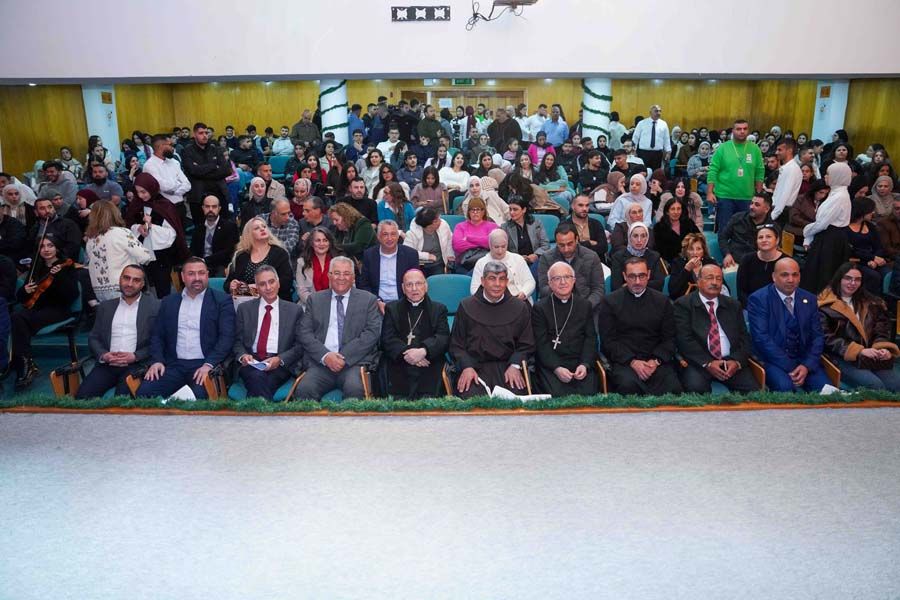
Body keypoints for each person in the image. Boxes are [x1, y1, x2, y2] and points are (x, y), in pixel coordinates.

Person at [136, 257, 235, 399]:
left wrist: (209, 364)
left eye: (201, 273)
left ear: (207, 275)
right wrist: (157, 360)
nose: (197, 278)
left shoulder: (222, 301)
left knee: (197, 398)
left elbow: (227, 338)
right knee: (144, 393)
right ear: (182, 277)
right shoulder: (169, 302)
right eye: (191, 274)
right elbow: (157, 335)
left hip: (203, 364)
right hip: (173, 365)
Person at [295, 256, 382, 400]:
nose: (341, 278)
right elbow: (304, 333)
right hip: (321, 363)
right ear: (329, 275)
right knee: (304, 389)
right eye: (336, 273)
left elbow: (372, 333)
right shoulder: (315, 300)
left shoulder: (368, 300)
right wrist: (326, 356)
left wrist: (342, 357)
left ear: (353, 277)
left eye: (346, 273)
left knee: (355, 389)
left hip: (353, 363)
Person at [450, 261, 535, 398]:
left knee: (516, 400)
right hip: (474, 368)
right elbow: (456, 344)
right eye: (492, 278)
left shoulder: (520, 307)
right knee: (470, 400)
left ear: (507, 281)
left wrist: (515, 365)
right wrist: (466, 366)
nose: (497, 284)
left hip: (508, 368)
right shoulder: (466, 306)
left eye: (502, 279)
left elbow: (527, 344)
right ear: (482, 281)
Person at [598, 257, 682, 395]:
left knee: (673, 387)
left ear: (648, 275)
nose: (637, 281)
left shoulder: (662, 301)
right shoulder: (610, 302)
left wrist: (655, 361)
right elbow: (608, 341)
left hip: (656, 362)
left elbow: (670, 338)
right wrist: (632, 362)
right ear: (624, 276)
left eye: (641, 276)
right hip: (625, 362)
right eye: (632, 276)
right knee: (627, 386)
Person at [77, 265, 160, 398]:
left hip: (136, 365)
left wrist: (136, 356)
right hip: (107, 364)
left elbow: (160, 341)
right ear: (120, 279)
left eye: (136, 280)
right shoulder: (105, 307)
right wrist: (104, 355)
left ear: (142, 284)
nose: (130, 284)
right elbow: (94, 337)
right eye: (126, 278)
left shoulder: (155, 307)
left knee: (122, 401)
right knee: (81, 398)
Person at [747, 257, 829, 392]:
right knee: (785, 388)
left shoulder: (809, 299)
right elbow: (761, 338)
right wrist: (792, 367)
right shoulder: (759, 299)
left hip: (804, 360)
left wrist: (806, 365)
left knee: (826, 390)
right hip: (772, 360)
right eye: (784, 275)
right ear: (774, 277)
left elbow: (817, 336)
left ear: (799, 277)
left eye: (795, 275)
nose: (791, 280)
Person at [674, 263, 758, 393]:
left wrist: (736, 361)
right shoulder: (683, 304)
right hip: (699, 362)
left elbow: (744, 338)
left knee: (753, 392)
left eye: (719, 279)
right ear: (698, 281)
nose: (714, 282)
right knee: (696, 389)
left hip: (730, 361)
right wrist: (708, 363)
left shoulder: (733, 305)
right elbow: (684, 340)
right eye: (709, 278)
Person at [10, 234, 79, 390]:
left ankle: (24, 364)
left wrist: (59, 277)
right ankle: (25, 362)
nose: (46, 249)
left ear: (57, 248)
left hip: (59, 309)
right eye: (42, 246)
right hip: (38, 309)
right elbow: (22, 298)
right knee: (16, 316)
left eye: (50, 245)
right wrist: (25, 290)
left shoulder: (66, 266)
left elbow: (72, 295)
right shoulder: (37, 267)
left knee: (19, 320)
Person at [818, 263, 900, 391]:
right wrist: (859, 351)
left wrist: (882, 348)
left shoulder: (871, 302)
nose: (852, 283)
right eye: (848, 278)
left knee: (896, 385)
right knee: (875, 385)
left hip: (871, 355)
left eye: (857, 280)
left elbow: (881, 329)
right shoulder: (824, 305)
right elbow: (827, 338)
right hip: (841, 356)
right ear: (839, 279)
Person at [232, 265, 304, 400]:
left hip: (279, 364)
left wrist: (280, 359)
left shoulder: (294, 311)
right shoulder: (244, 309)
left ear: (278, 283)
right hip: (251, 362)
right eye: (262, 284)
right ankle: (263, 411)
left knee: (258, 380)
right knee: (257, 377)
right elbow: (237, 341)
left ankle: (252, 410)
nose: (268, 287)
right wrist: (243, 356)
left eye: (271, 282)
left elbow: (300, 345)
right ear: (257, 288)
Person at [381, 269, 450, 399]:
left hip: (429, 361)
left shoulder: (438, 309)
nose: (414, 289)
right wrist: (408, 354)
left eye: (418, 283)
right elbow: (387, 339)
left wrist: (424, 351)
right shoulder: (392, 308)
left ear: (426, 286)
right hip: (399, 361)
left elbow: (443, 337)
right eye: (409, 284)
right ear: (403, 288)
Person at [532, 261, 598, 396]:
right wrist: (556, 368)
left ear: (574, 280)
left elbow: (590, 338)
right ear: (550, 283)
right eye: (557, 278)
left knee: (589, 394)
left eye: (567, 277)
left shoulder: (584, 305)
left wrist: (584, 364)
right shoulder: (540, 308)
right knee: (555, 394)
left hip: (579, 362)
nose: (563, 282)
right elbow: (541, 343)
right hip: (551, 364)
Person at [84, 200, 152, 302]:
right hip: (123, 287)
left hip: (99, 290)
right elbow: (144, 257)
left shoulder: (91, 238)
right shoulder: (121, 232)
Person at [800, 162, 853, 294]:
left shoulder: (839, 196)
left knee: (822, 275)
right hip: (830, 236)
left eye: (828, 174)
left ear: (837, 176)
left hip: (830, 239)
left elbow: (822, 223)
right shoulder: (836, 193)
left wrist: (807, 232)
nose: (825, 176)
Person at [707, 119, 764, 231]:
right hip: (725, 196)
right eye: (738, 129)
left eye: (745, 129)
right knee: (725, 230)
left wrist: (758, 192)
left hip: (747, 197)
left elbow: (760, 171)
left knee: (745, 231)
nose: (742, 131)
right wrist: (709, 192)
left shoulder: (755, 149)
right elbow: (713, 170)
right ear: (733, 131)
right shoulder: (723, 148)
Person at [537, 223, 605, 312]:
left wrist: (585, 307)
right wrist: (560, 291)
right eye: (561, 245)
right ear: (556, 243)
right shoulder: (546, 258)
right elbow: (543, 289)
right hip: (556, 307)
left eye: (570, 244)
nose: (566, 249)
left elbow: (598, 289)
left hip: (586, 307)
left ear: (576, 239)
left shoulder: (591, 257)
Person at [358, 220, 420, 313]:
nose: (390, 238)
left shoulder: (410, 254)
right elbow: (364, 284)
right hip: (376, 304)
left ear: (398, 236)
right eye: (385, 234)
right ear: (378, 237)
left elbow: (415, 283)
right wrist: (377, 301)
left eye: (393, 234)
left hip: (404, 303)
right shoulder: (369, 255)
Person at [225, 217, 293, 302]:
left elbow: (287, 282)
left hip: (275, 300)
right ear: (249, 234)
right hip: (247, 301)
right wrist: (232, 285)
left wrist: (259, 287)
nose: (262, 229)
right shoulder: (241, 256)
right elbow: (227, 284)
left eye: (264, 226)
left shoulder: (280, 253)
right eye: (257, 228)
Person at [181, 122, 231, 225]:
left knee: (224, 225)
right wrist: (213, 166)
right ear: (194, 134)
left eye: (206, 133)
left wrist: (201, 169)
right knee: (201, 227)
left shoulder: (216, 149)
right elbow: (193, 171)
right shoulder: (187, 151)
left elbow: (227, 170)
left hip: (219, 191)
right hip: (198, 195)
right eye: (201, 133)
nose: (204, 135)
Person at [470, 229, 536, 303]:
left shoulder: (518, 259)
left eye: (503, 246)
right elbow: (474, 289)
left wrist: (523, 293)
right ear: (490, 245)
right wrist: (489, 298)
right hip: (491, 303)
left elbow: (530, 281)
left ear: (507, 244)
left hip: (518, 299)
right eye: (496, 247)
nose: (500, 251)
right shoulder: (481, 263)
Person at [845, 196, 890, 294]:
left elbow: (878, 246)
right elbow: (852, 250)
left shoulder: (870, 226)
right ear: (862, 211)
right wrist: (872, 258)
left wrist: (875, 260)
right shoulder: (845, 228)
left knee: (887, 274)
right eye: (870, 210)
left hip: (873, 260)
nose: (873, 213)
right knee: (873, 276)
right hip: (856, 261)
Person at [718, 192, 775, 268]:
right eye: (751, 203)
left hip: (760, 263)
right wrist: (727, 254)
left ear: (766, 209)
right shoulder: (737, 218)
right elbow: (723, 237)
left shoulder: (772, 227)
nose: (751, 207)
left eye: (757, 205)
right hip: (735, 261)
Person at [142, 134, 191, 219]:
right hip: (164, 209)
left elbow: (187, 184)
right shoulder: (149, 165)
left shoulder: (174, 162)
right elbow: (164, 186)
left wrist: (174, 191)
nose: (173, 148)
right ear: (161, 146)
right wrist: (179, 184)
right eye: (170, 145)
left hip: (180, 206)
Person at [189, 195, 240, 277]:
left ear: (219, 208)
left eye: (214, 207)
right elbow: (193, 249)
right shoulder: (199, 228)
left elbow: (228, 252)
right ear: (203, 208)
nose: (210, 210)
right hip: (199, 265)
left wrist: (204, 260)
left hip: (220, 265)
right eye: (207, 206)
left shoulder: (229, 227)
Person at [735, 224, 783, 307]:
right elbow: (741, 291)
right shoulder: (747, 260)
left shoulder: (786, 262)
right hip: (751, 306)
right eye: (760, 237)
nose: (764, 240)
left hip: (778, 307)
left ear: (777, 240)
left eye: (768, 237)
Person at [609, 222, 665, 292]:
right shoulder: (618, 257)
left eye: (643, 236)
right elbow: (616, 287)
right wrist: (646, 283)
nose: (639, 240)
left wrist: (631, 285)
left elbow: (659, 284)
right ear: (629, 237)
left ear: (647, 238)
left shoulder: (654, 256)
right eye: (635, 236)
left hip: (649, 295)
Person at [501, 195, 550, 275]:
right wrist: (518, 258)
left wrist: (536, 255)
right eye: (510, 209)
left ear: (524, 210)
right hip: (515, 264)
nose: (511, 212)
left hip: (535, 261)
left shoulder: (536, 224)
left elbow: (545, 245)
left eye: (515, 209)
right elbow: (503, 250)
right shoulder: (504, 227)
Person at [404, 207, 454, 277]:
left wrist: (450, 254)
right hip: (419, 264)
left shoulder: (443, 225)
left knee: (437, 279)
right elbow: (407, 252)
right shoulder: (411, 234)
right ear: (428, 225)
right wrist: (426, 256)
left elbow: (449, 239)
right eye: (436, 221)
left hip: (438, 263)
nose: (440, 221)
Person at [27, 196, 82, 261]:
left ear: (54, 209)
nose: (47, 211)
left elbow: (73, 246)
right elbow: (30, 248)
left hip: (62, 262)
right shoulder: (35, 228)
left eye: (50, 207)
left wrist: (57, 257)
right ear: (36, 212)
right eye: (42, 208)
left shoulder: (68, 224)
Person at [452, 197, 497, 272]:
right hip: (465, 263)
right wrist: (482, 243)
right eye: (472, 210)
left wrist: (468, 238)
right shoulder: (460, 226)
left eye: (478, 209)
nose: (475, 212)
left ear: (483, 211)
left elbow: (492, 242)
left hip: (486, 264)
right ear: (468, 212)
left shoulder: (492, 226)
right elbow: (457, 245)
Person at [296, 226, 339, 305]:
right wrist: (317, 303)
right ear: (312, 243)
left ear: (330, 243)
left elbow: (347, 286)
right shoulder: (302, 262)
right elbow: (301, 290)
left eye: (325, 240)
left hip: (335, 304)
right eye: (318, 240)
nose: (321, 244)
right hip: (309, 305)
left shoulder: (339, 262)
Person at [667, 233, 718, 299]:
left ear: (703, 251)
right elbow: (673, 291)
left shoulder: (710, 262)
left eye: (698, 249)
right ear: (686, 251)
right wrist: (686, 269)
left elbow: (723, 286)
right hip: (686, 301)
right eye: (691, 249)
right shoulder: (678, 263)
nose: (695, 253)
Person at [652, 195, 701, 264]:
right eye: (672, 209)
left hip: (691, 259)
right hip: (670, 263)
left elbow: (699, 239)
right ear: (667, 212)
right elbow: (658, 250)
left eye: (678, 209)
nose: (676, 212)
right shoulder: (659, 227)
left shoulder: (689, 223)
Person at [562, 194, 606, 262]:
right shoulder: (564, 225)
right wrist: (589, 243)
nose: (584, 209)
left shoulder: (596, 224)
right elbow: (568, 249)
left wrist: (580, 245)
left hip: (596, 261)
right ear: (573, 206)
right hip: (573, 262)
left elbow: (603, 247)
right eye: (580, 205)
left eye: (587, 205)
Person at [769, 138, 803, 226]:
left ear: (789, 151)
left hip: (781, 211)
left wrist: (773, 216)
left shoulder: (792, 169)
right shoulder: (788, 168)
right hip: (778, 209)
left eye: (780, 150)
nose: (776, 152)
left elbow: (785, 194)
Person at [632, 104, 670, 170]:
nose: (658, 113)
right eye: (656, 111)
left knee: (656, 172)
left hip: (657, 154)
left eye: (660, 111)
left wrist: (668, 152)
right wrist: (633, 151)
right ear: (650, 112)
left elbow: (666, 139)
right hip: (643, 153)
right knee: (643, 171)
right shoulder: (642, 123)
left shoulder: (663, 124)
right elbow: (635, 138)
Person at [877, 196, 900, 260]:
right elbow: (886, 249)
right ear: (892, 209)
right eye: (897, 208)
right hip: (895, 257)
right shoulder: (883, 223)